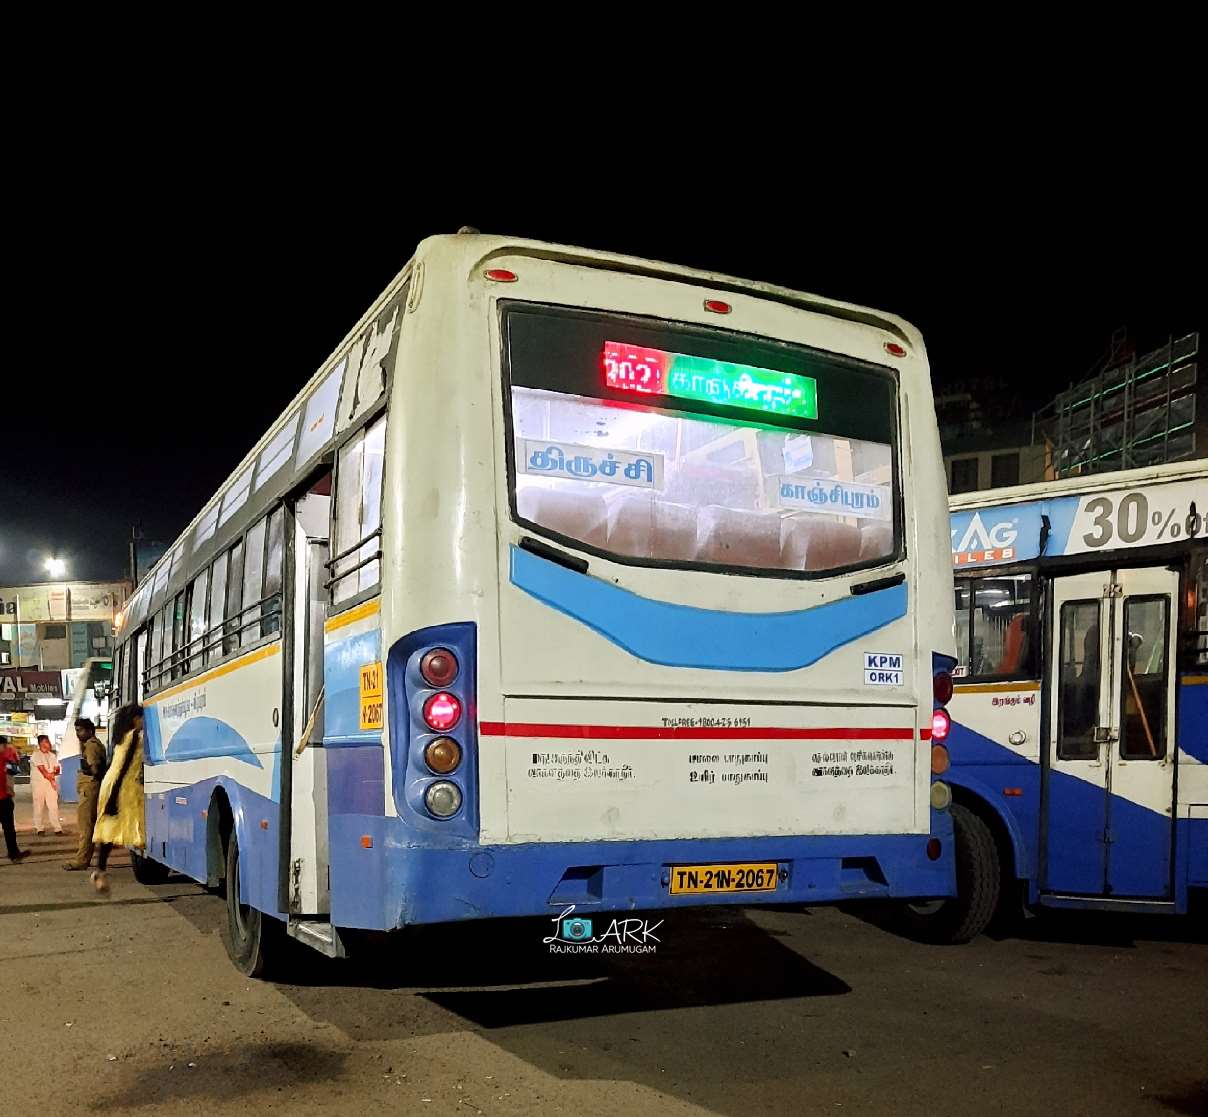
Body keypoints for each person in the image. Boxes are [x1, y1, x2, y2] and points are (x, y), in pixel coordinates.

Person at [90, 703, 146, 895]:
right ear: (134, 719)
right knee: (121, 829)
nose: (144, 722)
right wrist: (114, 798)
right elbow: (125, 768)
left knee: (110, 832)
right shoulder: (134, 737)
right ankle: (100, 872)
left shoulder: (120, 736)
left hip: (115, 784)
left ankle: (100, 871)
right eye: (141, 718)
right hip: (121, 787)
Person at [64, 718, 107, 871]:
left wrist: (90, 772)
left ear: (89, 731)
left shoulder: (91, 746)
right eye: (76, 730)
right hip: (90, 788)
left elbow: (95, 767)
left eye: (80, 730)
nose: (78, 734)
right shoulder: (94, 744)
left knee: (85, 826)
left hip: (89, 789)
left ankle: (82, 860)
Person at [0, 735, 31, 863]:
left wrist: (13, 754)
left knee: (9, 829)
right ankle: (14, 854)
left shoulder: (4, 759)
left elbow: (15, 770)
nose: (5, 748)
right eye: (4, 745)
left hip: (4, 798)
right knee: (8, 828)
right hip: (3, 797)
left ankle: (14, 853)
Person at [31, 734, 63, 836]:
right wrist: (52, 780)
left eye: (48, 741)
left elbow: (57, 769)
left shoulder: (52, 756)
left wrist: (54, 772)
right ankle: (39, 828)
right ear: (41, 743)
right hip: (39, 784)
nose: (49, 744)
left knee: (53, 806)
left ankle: (57, 828)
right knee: (38, 806)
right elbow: (43, 772)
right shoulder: (36, 755)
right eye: (47, 741)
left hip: (50, 784)